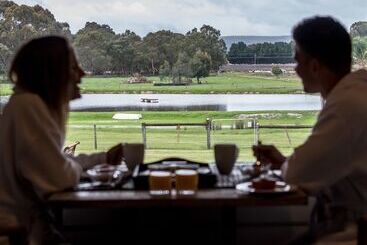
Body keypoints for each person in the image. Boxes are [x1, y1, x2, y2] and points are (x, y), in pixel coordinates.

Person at [253, 16, 367, 244]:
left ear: (314, 66)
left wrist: (287, 164)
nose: (295, 69)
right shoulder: (355, 92)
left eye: (297, 61)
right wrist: (285, 161)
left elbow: (297, 173)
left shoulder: (345, 106)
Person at [0, 36, 124, 244]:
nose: (82, 73)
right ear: (53, 72)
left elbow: (54, 163)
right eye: (74, 67)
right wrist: (82, 168)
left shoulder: (24, 105)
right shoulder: (29, 107)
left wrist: (101, 159)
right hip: (21, 235)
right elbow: (58, 177)